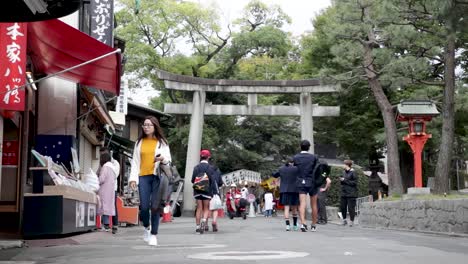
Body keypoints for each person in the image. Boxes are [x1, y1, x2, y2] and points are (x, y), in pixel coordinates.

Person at [129, 116, 172, 246]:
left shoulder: (162, 142)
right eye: (145, 125)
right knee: (144, 207)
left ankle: (154, 234)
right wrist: (132, 179)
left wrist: (162, 159)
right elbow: (135, 162)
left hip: (157, 177)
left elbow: (168, 160)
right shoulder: (139, 142)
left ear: (155, 127)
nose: (146, 127)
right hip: (143, 177)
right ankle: (146, 227)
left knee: (155, 207)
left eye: (149, 125)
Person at [293, 139, 318, 232]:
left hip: (300, 181)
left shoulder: (296, 157)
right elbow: (316, 169)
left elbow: (295, 169)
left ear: (300, 147)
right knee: (314, 204)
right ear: (309, 147)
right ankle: (314, 225)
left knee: (302, 203)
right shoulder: (314, 157)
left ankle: (303, 223)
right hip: (312, 182)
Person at [192, 149, 216, 234]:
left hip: (197, 190)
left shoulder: (196, 167)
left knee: (199, 208)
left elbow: (192, 180)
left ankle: (197, 227)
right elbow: (212, 181)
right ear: (208, 157)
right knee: (206, 208)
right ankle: (204, 220)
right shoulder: (210, 168)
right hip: (207, 190)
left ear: (200, 157)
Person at [272, 157, 300, 231]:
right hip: (294, 190)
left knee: (286, 208)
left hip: (284, 190)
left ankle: (287, 226)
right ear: (292, 162)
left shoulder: (281, 168)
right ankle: (295, 225)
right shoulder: (296, 168)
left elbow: (274, 175)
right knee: (294, 208)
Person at [98, 147, 120, 234]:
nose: (101, 156)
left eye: (103, 154)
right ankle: (106, 224)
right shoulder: (103, 164)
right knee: (105, 205)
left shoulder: (115, 164)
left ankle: (115, 225)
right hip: (106, 187)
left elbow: (115, 175)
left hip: (112, 187)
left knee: (112, 205)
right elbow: (98, 172)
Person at [340, 160, 358, 227]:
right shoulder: (343, 172)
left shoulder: (353, 172)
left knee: (351, 208)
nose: (343, 165)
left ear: (347, 165)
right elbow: (343, 182)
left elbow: (354, 183)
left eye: (344, 164)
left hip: (351, 193)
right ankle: (344, 220)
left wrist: (344, 180)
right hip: (344, 193)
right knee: (343, 207)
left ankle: (351, 221)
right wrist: (341, 180)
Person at [206, 164, 223, 232]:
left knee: (206, 209)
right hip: (215, 193)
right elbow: (220, 183)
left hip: (206, 192)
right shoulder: (217, 171)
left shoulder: (206, 170)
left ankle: (206, 224)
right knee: (215, 209)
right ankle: (214, 221)